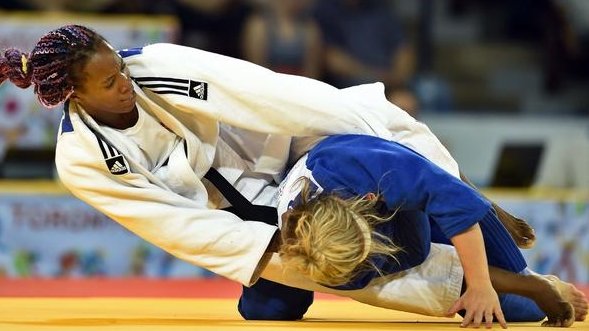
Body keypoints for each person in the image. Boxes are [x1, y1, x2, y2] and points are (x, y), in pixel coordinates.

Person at [0, 24, 534, 324]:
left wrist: (398, 152)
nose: (125, 82)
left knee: (404, 169)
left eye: (121, 66)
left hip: (309, 163)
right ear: (75, 95)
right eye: (109, 81)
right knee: (274, 309)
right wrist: (296, 253)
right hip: (251, 220)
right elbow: (181, 228)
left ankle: (464, 217)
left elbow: (277, 94)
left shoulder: (157, 63)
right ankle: (498, 286)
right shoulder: (82, 162)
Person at [241, 134, 588, 327]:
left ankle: (531, 281)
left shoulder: (379, 169)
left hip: (406, 212)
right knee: (263, 312)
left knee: (519, 308)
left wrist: (487, 284)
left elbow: (458, 201)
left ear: (370, 200)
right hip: (329, 239)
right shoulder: (289, 231)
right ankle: (513, 282)